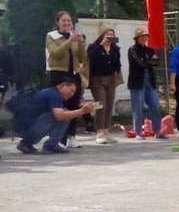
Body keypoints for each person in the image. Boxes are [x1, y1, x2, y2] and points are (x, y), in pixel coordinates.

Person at [14, 78, 96, 154]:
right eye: (71, 90)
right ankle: (51, 145)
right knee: (64, 115)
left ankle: (26, 143)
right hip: (29, 127)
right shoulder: (55, 95)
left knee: (64, 113)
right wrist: (82, 111)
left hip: (22, 127)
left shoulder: (50, 92)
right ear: (63, 86)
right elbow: (60, 116)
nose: (72, 94)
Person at [45, 11, 88, 148]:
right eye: (64, 21)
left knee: (74, 105)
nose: (67, 23)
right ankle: (59, 139)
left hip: (73, 74)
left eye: (69, 21)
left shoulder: (74, 36)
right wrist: (70, 41)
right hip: (58, 74)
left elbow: (82, 58)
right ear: (57, 22)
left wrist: (81, 44)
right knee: (60, 107)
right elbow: (56, 53)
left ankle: (71, 136)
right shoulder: (51, 36)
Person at [86, 25, 122, 144]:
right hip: (97, 80)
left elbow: (118, 64)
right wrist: (101, 46)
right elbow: (90, 59)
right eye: (108, 35)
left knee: (109, 104)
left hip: (111, 78)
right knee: (101, 105)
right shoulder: (94, 47)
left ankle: (106, 131)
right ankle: (99, 132)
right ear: (102, 35)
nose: (110, 37)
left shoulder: (115, 48)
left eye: (112, 35)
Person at [128, 27, 164, 139]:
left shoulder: (150, 49)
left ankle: (157, 130)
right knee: (138, 108)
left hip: (150, 81)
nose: (144, 38)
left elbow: (157, 61)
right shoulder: (132, 49)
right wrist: (149, 61)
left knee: (156, 106)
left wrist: (146, 61)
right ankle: (138, 132)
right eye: (141, 36)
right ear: (136, 38)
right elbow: (139, 63)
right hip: (137, 82)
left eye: (146, 36)